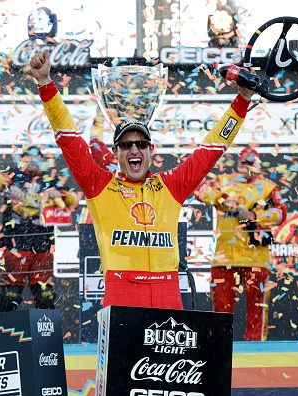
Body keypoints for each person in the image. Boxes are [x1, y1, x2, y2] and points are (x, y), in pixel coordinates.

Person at [28, 49, 253, 309]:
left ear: (151, 151)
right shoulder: (99, 185)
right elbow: (69, 140)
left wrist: (242, 100)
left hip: (167, 292)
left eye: (141, 144)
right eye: (126, 144)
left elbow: (212, 148)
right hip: (120, 294)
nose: (134, 150)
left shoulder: (171, 185)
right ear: (116, 153)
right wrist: (45, 84)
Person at [196, 147, 287, 341]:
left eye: (250, 163)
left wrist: (255, 216)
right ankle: (220, 351)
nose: (246, 167)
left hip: (256, 257)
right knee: (221, 311)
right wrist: (223, 199)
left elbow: (282, 213)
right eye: (242, 163)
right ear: (237, 164)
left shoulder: (269, 187)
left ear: (258, 165)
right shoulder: (223, 182)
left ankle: (255, 352)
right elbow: (199, 189)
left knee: (257, 310)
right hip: (225, 257)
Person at [0, 144, 77, 312]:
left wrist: (60, 195)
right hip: (15, 247)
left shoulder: (50, 180)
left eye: (38, 156)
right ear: (22, 159)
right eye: (28, 156)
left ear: (43, 160)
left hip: (43, 248)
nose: (33, 159)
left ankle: (45, 337)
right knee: (9, 298)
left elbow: (74, 201)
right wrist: (9, 186)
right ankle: (6, 335)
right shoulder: (14, 174)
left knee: (45, 298)